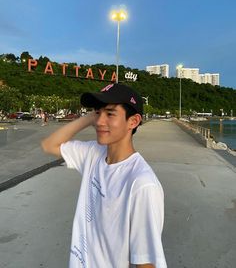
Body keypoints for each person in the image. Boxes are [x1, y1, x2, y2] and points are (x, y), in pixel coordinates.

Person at [41, 83, 167, 268]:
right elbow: (49, 145)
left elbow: (146, 262)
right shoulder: (93, 153)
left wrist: (98, 113)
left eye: (110, 114)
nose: (100, 122)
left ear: (133, 121)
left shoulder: (141, 184)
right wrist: (89, 117)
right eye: (97, 113)